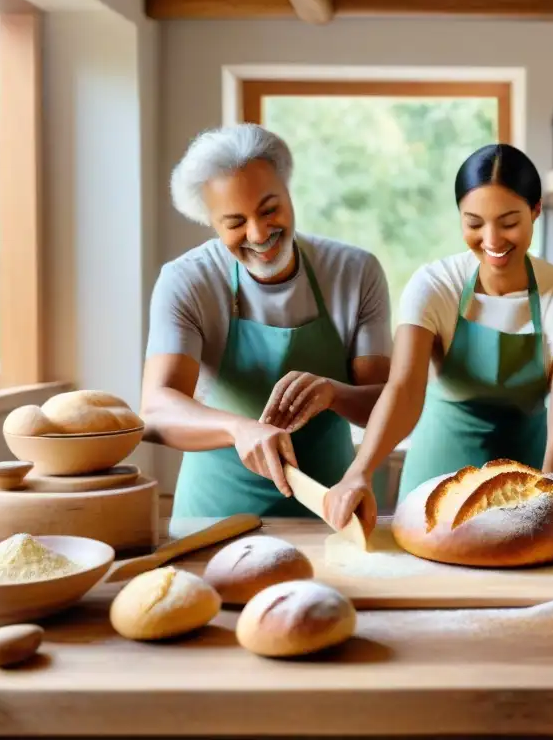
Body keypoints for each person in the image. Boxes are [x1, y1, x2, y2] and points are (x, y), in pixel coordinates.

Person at [323, 143, 553, 532]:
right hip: (435, 477)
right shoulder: (434, 286)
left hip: (526, 477)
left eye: (508, 221)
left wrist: (546, 492)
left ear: (536, 210)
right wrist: (360, 471)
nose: (492, 238)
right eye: (474, 222)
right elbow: (403, 388)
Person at [142, 123, 392, 527]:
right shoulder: (187, 280)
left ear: (289, 192)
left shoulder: (355, 272)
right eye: (234, 222)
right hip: (213, 518)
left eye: (269, 209)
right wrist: (237, 429)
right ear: (210, 221)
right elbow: (156, 409)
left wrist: (333, 393)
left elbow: (384, 402)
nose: (258, 234)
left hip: (329, 511)